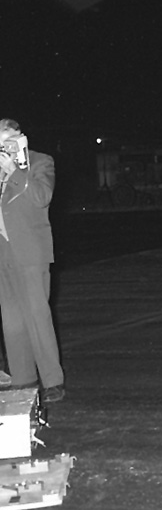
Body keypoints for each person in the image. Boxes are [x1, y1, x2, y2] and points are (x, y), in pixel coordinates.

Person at [0, 118, 65, 403]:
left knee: (38, 317)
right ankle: (23, 379)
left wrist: (14, 171)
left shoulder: (40, 162)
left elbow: (41, 197)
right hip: (4, 253)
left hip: (30, 252)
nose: (4, 148)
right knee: (12, 320)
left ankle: (53, 381)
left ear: (21, 138)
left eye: (8, 141)